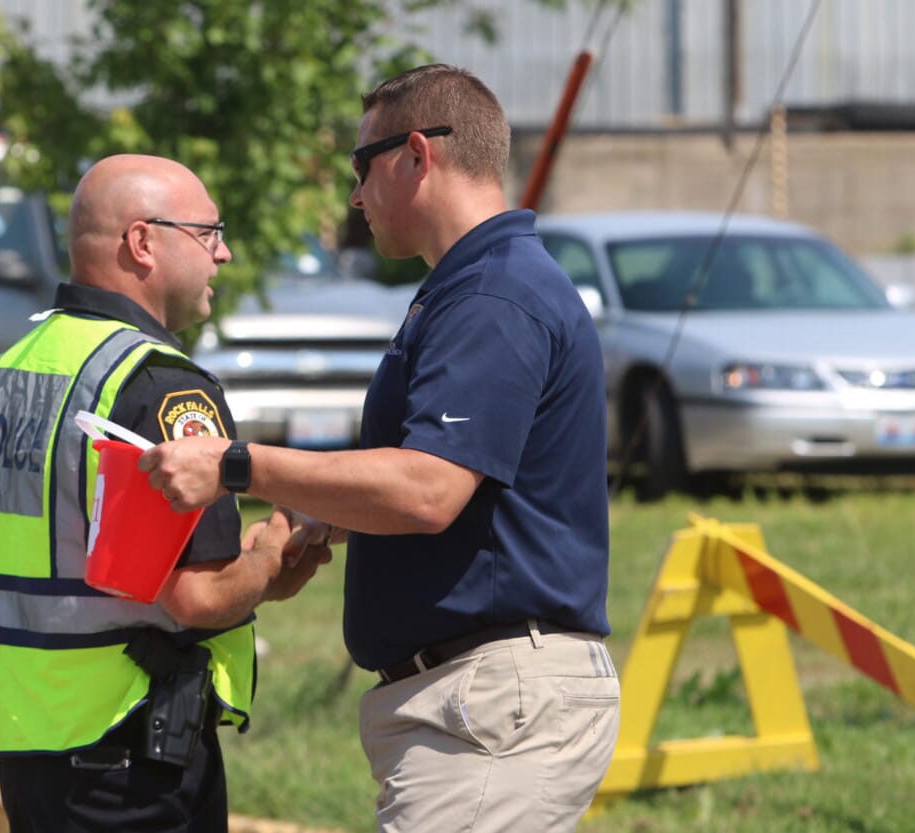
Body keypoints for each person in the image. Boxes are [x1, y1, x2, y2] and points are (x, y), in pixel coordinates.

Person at [140, 64, 620, 831]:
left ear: (418, 155)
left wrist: (238, 464)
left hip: (491, 710)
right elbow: (454, 487)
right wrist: (323, 518)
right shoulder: (467, 289)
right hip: (475, 705)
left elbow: (429, 490)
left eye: (361, 167)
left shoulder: (494, 297)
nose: (355, 197)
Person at [0, 154, 331, 833]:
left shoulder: (9, 371)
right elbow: (196, 596)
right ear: (142, 242)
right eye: (208, 232)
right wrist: (274, 546)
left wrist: (257, 577)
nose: (224, 253)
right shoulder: (159, 383)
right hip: (130, 759)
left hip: (30, 745)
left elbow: (93, 566)